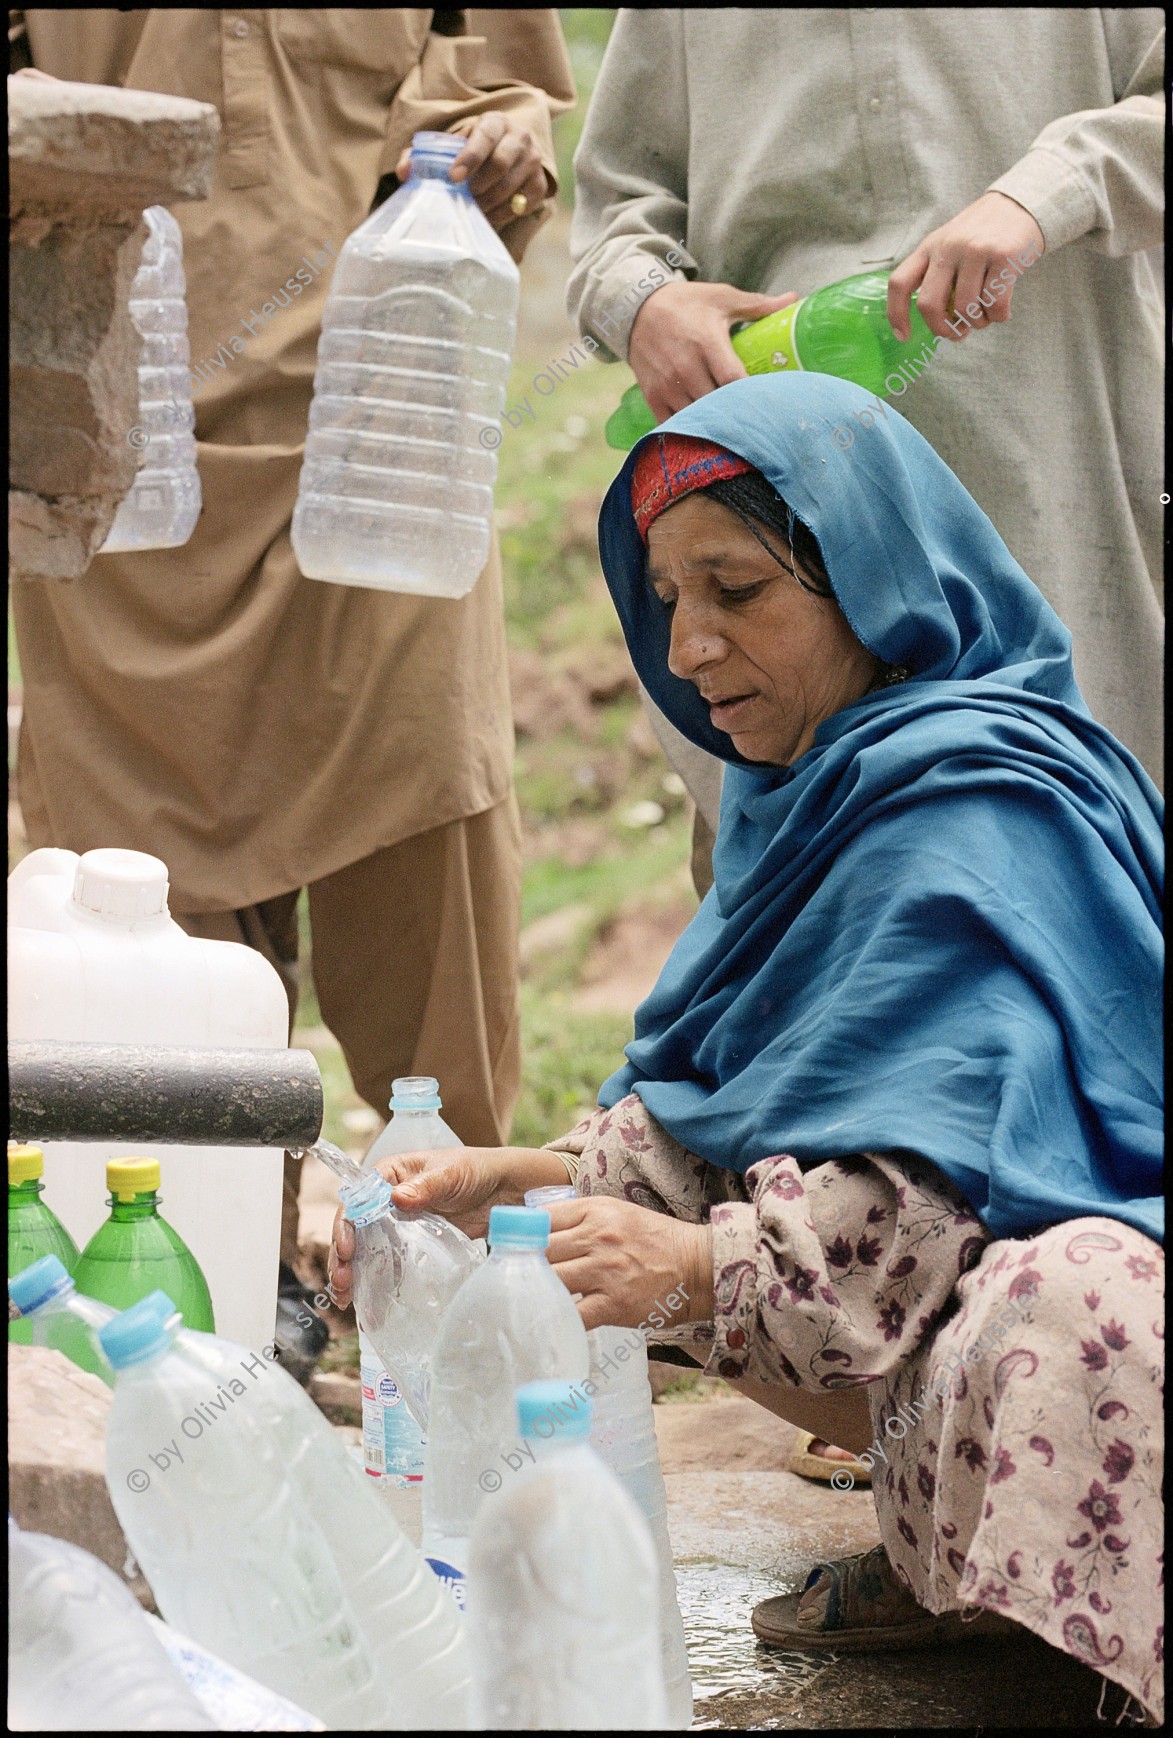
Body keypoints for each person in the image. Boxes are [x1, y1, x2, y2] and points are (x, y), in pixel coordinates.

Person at [330, 374, 1164, 1723]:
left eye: (736, 588)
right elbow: (732, 1101)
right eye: (668, 598)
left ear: (870, 582)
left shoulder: (975, 808)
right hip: (929, 1348)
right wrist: (526, 1186)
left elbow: (925, 1196)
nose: (691, 645)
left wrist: (690, 1266)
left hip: (1084, 1316)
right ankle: (969, 1565)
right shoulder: (816, 795)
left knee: (1082, 1300)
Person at [9, 10, 574, 1359]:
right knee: (140, 921)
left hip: (387, 433)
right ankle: (211, 1270)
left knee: (426, 842)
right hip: (121, 460)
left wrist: (502, 141)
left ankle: (460, 1279)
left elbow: (508, 96)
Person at [566, 5, 1165, 879]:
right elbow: (614, 205)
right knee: (802, 912)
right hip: (773, 528)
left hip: (1047, 476)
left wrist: (1047, 192)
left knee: (1084, 861)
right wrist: (643, 302)